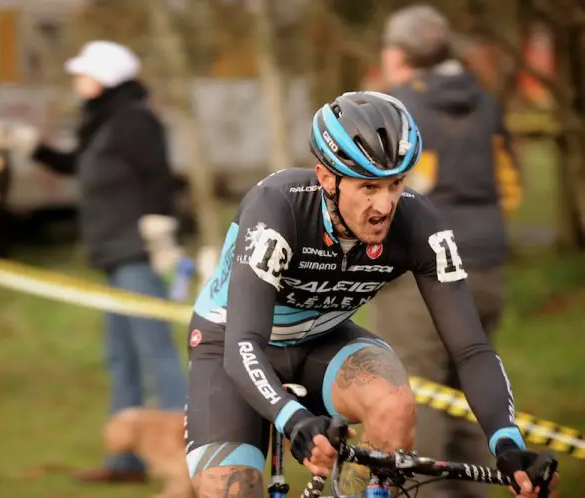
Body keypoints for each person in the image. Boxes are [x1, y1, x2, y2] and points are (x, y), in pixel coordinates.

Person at [182, 91, 557, 497]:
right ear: (327, 178)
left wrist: (507, 441)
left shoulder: (419, 224)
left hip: (321, 340)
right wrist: (293, 419)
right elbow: (242, 344)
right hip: (230, 346)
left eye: (396, 184)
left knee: (393, 406)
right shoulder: (277, 208)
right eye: (369, 187)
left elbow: (471, 349)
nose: (385, 205)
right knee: (230, 490)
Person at [0, 40, 188, 483]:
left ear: (108, 77)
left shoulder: (135, 121)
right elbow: (76, 164)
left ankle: (194, 460)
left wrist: (160, 226)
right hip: (112, 254)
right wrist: (27, 144)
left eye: (84, 73)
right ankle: (126, 459)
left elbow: (158, 176)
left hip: (137, 252)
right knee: (120, 354)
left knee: (155, 352)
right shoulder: (103, 124)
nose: (77, 80)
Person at [370, 6, 523, 498]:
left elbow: (382, 196)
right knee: (472, 389)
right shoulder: (485, 102)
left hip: (422, 273)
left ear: (398, 56)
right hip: (485, 265)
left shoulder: (396, 108)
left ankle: (424, 492)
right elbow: (512, 187)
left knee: (417, 391)